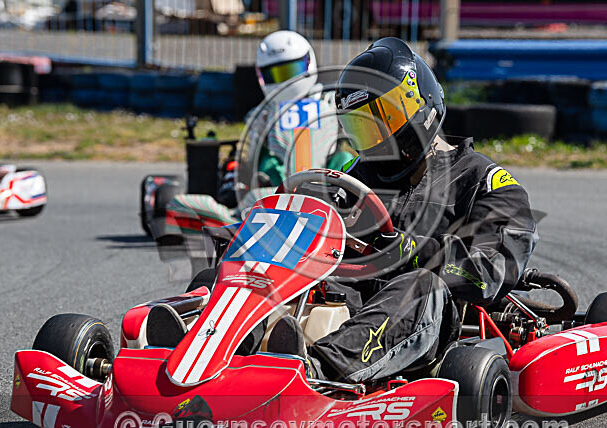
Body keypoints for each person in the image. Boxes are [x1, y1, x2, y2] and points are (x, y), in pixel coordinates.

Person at [303, 38, 539, 383]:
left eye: (384, 120)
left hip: (429, 324)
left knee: (421, 285)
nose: (377, 139)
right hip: (349, 305)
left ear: (420, 104)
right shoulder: (352, 180)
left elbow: (489, 270)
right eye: (363, 128)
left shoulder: (483, 181)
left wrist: (414, 251)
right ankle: (238, 355)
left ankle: (319, 372)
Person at [165, 30, 352, 236]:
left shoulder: (331, 103)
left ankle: (242, 219)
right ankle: (250, 212)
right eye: (277, 74)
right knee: (266, 164)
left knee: (345, 157)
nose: (287, 81)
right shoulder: (262, 113)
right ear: (263, 76)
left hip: (326, 185)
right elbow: (249, 158)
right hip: (278, 189)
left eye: (292, 70)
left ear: (308, 63)